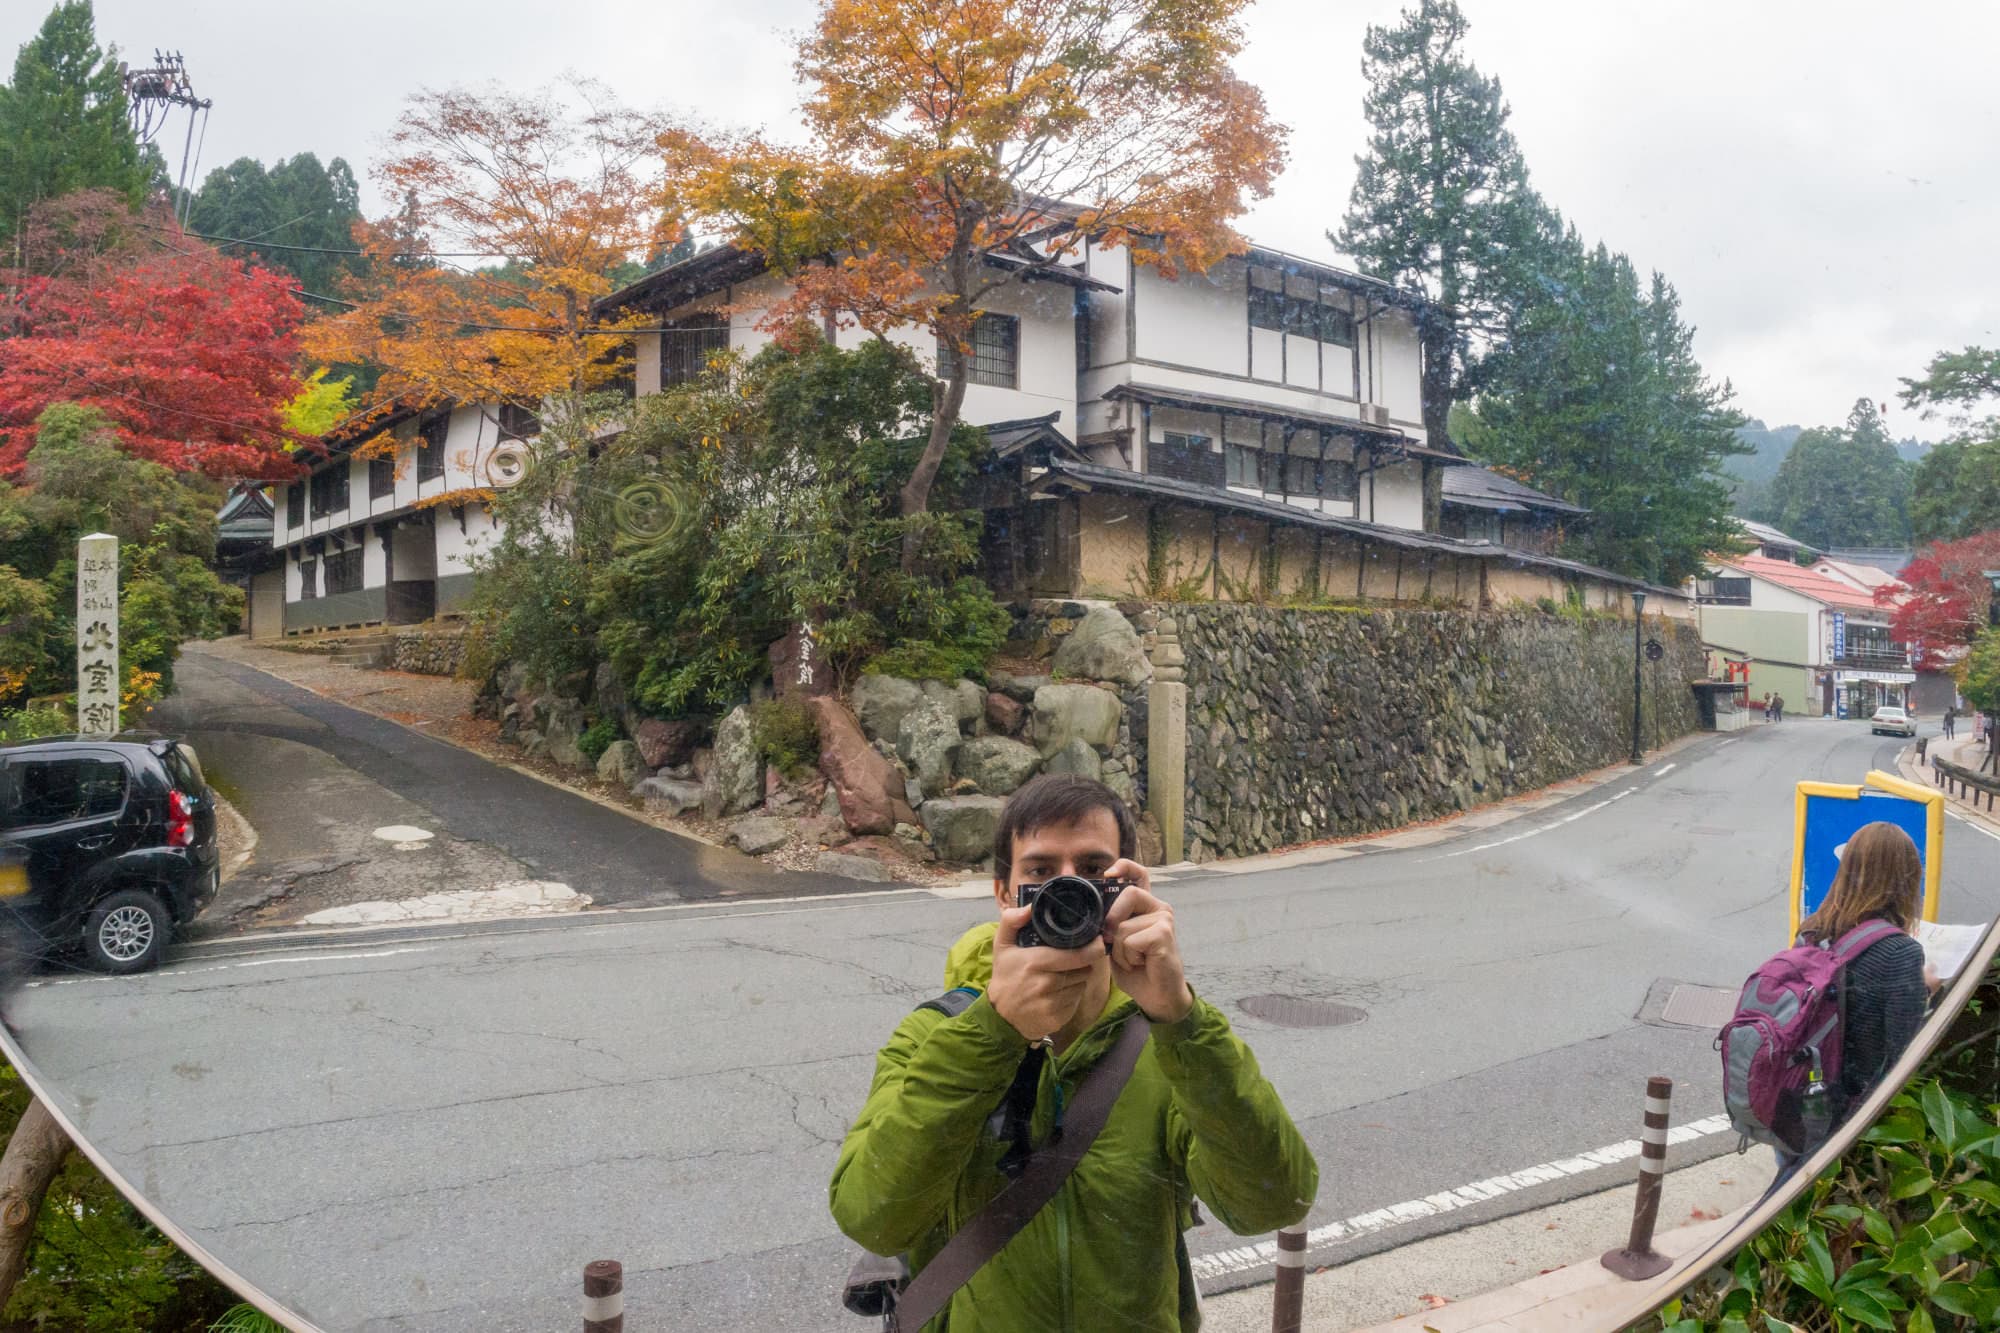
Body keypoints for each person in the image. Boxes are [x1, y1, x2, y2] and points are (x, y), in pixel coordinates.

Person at [830, 774, 1318, 1331]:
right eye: (1040, 872)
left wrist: (1180, 1018)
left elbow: (1274, 1202)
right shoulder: (935, 1036)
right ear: (1002, 893)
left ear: (1131, 884)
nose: (1068, 890)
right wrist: (992, 1033)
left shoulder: (1168, 1040)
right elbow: (872, 1218)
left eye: (1093, 871)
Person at [1776, 822, 1937, 1178]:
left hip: (1798, 1104)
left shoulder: (1813, 930)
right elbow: (1906, 1052)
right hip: (1847, 1117)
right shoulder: (1899, 952)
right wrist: (1927, 990)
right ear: (1907, 879)